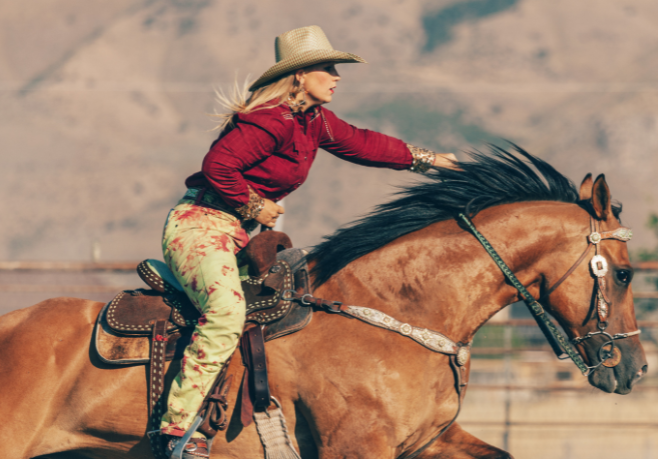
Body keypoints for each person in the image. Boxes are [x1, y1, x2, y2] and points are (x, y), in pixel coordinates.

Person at [156, 25, 458, 458]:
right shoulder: (271, 120)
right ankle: (176, 431)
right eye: (328, 69)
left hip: (234, 233)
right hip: (199, 227)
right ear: (300, 75)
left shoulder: (313, 122)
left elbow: (364, 144)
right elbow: (218, 166)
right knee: (225, 314)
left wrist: (431, 161)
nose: (337, 77)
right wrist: (255, 205)